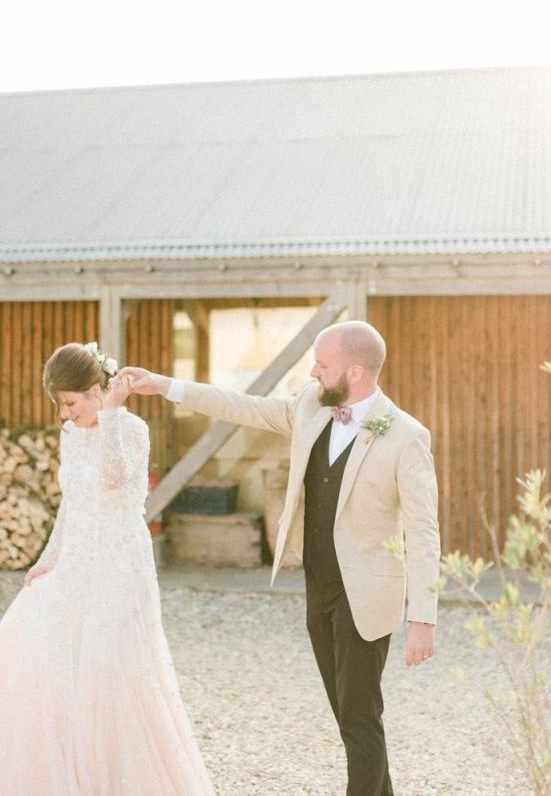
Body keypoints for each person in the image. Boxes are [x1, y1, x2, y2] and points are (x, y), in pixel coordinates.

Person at [0, 342, 216, 796]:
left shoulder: (132, 428)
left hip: (119, 562)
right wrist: (49, 556)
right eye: (60, 406)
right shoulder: (71, 435)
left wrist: (114, 413)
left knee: (109, 662)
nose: (65, 415)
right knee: (39, 650)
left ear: (98, 390)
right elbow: (71, 502)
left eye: (71, 403)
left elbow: (111, 477)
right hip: (75, 558)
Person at [121, 320, 440, 796]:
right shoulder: (311, 407)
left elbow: (424, 531)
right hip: (319, 588)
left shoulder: (405, 435)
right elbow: (241, 406)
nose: (313, 371)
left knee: (359, 719)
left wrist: (423, 619)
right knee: (353, 719)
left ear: (354, 372)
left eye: (322, 364)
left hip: (368, 596)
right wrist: (165, 385)